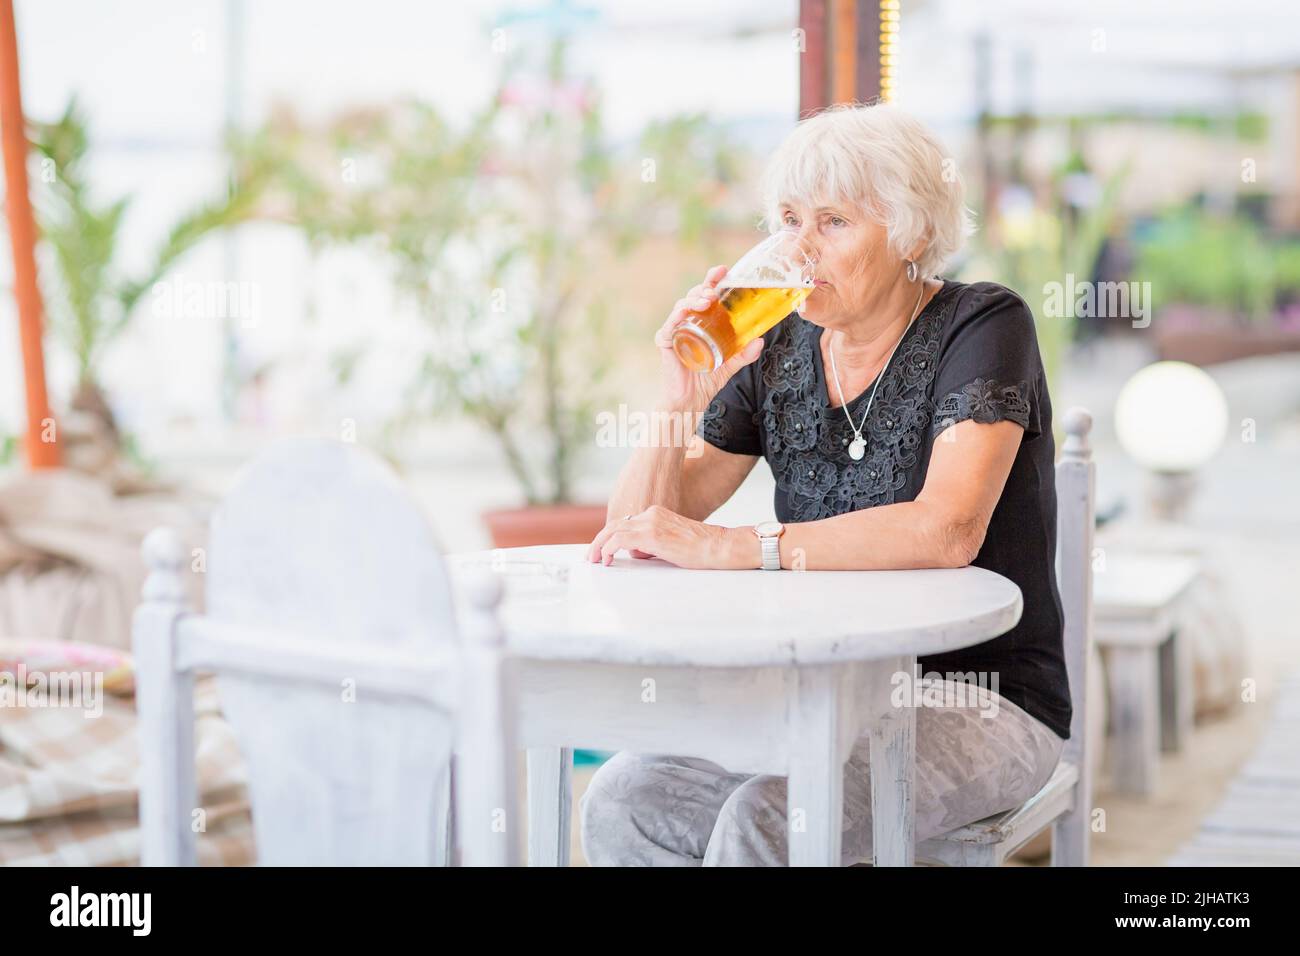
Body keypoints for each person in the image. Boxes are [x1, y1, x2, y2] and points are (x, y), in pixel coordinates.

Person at [581, 102, 1068, 866]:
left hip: (979, 699)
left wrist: (733, 549)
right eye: (787, 219)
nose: (796, 249)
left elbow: (946, 530)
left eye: (831, 222)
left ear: (909, 232)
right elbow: (634, 533)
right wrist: (678, 398)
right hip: (809, 697)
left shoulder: (982, 324)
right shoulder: (778, 343)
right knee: (622, 801)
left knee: (771, 820)